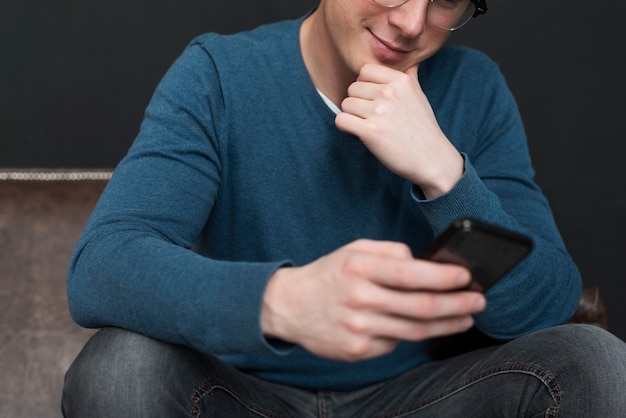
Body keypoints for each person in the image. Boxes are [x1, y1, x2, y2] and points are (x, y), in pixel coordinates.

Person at [62, 0, 626, 416]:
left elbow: (546, 304)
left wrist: (444, 174)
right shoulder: (220, 76)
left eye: (446, 1)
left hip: (424, 397)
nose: (410, 22)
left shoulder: (472, 88)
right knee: (120, 366)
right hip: (241, 395)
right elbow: (104, 265)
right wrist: (284, 301)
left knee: (593, 358)